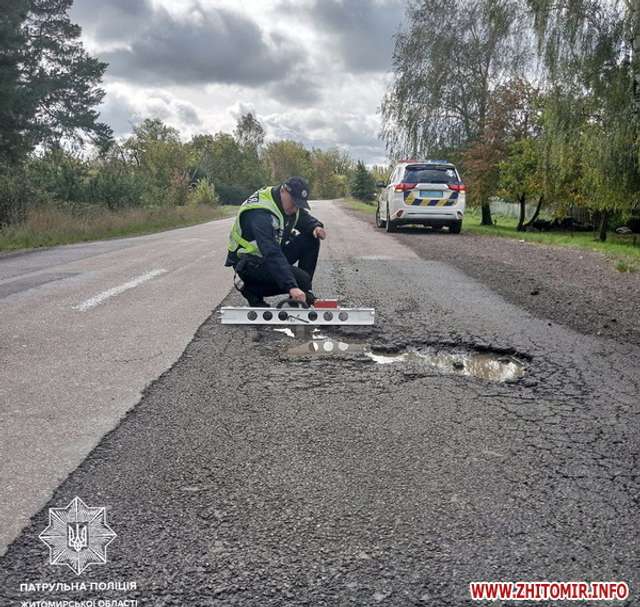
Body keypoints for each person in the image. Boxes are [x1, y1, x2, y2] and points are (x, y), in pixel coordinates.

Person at [225, 176, 327, 307]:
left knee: (311, 239)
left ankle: (303, 294)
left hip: (266, 258)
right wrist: (292, 286)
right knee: (301, 279)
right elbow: (271, 252)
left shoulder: (284, 203)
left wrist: (316, 227)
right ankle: (251, 291)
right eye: (294, 203)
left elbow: (302, 217)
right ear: (284, 190)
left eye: (299, 204)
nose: (295, 208)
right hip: (250, 266)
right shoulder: (260, 214)